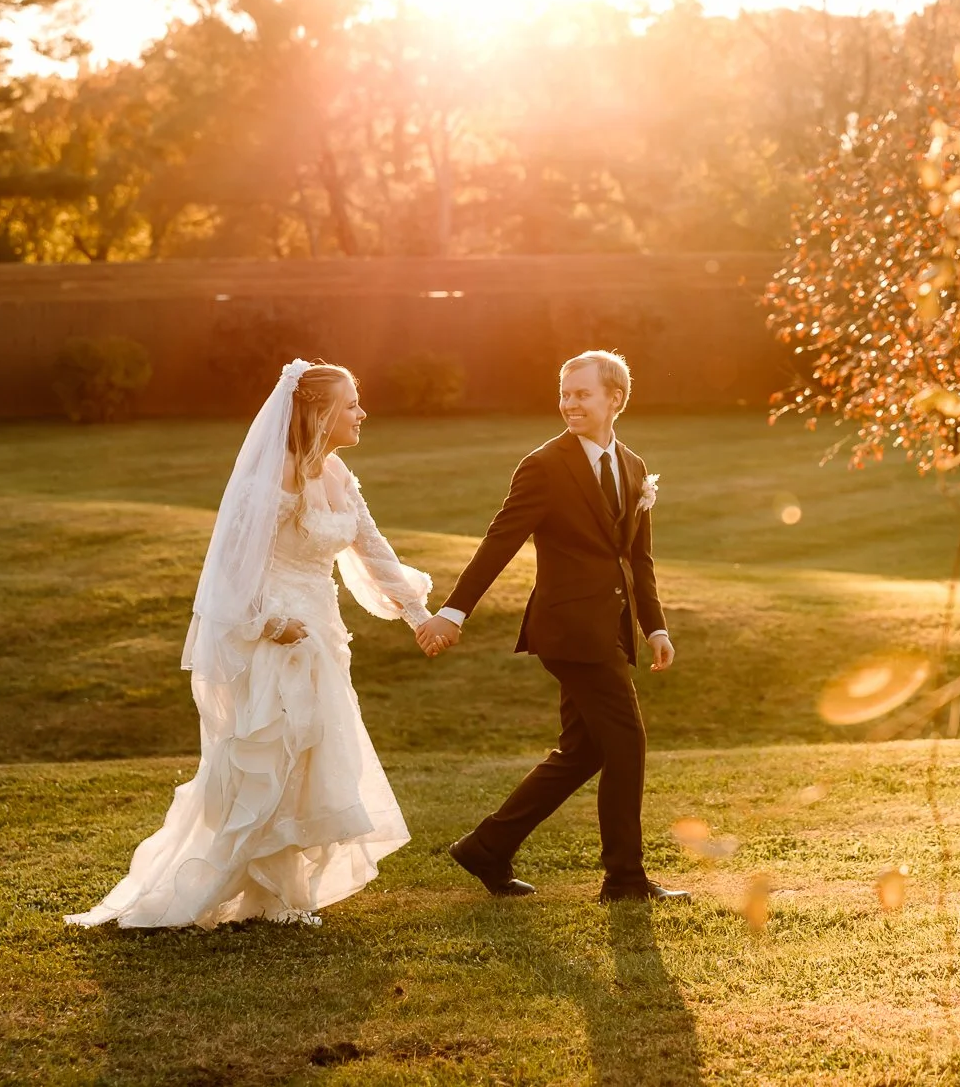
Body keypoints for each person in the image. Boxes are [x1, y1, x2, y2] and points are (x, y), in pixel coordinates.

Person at [66, 360, 431, 929]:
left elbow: (373, 549)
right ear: (319, 412)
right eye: (352, 404)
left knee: (309, 756)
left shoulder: (338, 476)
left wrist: (418, 615)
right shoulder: (273, 476)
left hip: (323, 633)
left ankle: (280, 894)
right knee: (270, 753)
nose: (362, 413)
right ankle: (242, 888)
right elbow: (233, 571)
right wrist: (267, 622)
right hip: (275, 635)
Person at [412, 350, 689, 903]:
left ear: (614, 399)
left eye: (581, 393)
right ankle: (625, 880)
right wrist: (452, 611)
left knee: (584, 752)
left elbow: (639, 560)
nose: (569, 403)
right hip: (567, 630)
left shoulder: (633, 467)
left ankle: (487, 847)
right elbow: (500, 541)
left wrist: (653, 627)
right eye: (564, 393)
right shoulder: (543, 464)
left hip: (609, 630)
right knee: (627, 743)